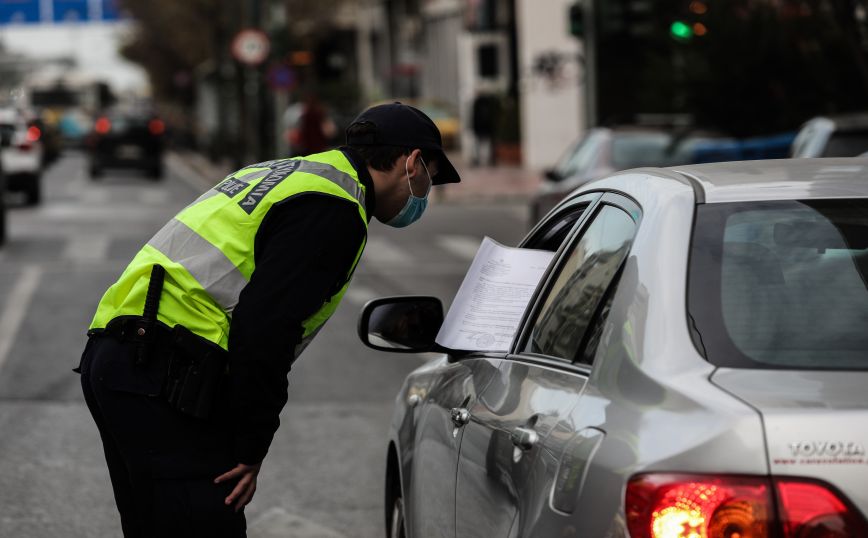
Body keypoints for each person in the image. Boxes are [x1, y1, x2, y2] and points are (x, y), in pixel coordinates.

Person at [77, 102, 460, 538]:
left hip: (119, 355)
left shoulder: (291, 172)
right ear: (411, 164)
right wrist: (250, 445)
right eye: (430, 176)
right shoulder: (335, 209)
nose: (426, 193)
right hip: (165, 372)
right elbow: (264, 330)